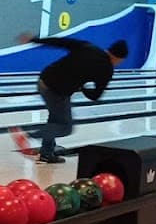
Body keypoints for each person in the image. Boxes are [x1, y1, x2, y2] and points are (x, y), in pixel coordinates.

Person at [10, 34, 129, 164]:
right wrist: (83, 87)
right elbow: (95, 96)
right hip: (57, 91)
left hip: (44, 80)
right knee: (65, 127)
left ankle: (46, 154)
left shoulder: (88, 46)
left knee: (55, 119)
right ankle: (26, 135)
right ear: (118, 58)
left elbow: (60, 42)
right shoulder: (107, 69)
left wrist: (34, 39)